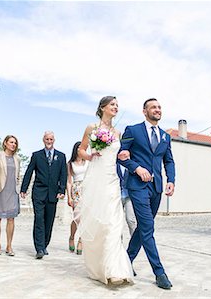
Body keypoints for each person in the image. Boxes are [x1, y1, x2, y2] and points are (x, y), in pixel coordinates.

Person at [118, 98, 175, 290]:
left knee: (144, 227)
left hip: (157, 188)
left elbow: (169, 161)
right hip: (137, 186)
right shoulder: (132, 130)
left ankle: (126, 260)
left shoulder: (165, 136)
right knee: (148, 227)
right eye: (153, 107)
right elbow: (122, 156)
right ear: (144, 111)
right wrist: (136, 168)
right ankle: (159, 272)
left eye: (159, 107)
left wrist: (171, 180)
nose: (157, 110)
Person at [76, 96, 133, 286]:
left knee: (115, 223)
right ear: (102, 107)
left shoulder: (117, 132)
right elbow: (81, 151)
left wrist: (123, 154)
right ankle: (100, 267)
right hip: (96, 178)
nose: (116, 107)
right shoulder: (92, 128)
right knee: (100, 222)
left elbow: (117, 155)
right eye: (112, 105)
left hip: (112, 180)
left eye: (117, 105)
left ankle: (115, 270)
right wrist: (91, 156)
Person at [20, 131, 67, 259]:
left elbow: (64, 174)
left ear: (54, 140)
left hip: (53, 194)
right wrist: (24, 189)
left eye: (51, 139)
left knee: (49, 221)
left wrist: (62, 190)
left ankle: (45, 244)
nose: (49, 141)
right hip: (39, 193)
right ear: (43, 140)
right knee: (39, 219)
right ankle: (39, 248)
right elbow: (29, 172)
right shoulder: (36, 155)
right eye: (47, 139)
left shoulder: (61, 156)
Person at [66, 141, 88, 255]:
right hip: (76, 190)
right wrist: (69, 196)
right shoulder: (70, 163)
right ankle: (71, 237)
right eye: (78, 148)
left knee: (86, 218)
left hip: (87, 189)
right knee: (77, 218)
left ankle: (81, 240)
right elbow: (69, 181)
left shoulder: (88, 161)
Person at [117, 164, 137, 236]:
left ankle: (134, 242)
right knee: (117, 222)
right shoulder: (115, 163)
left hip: (129, 196)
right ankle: (119, 243)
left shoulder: (132, 163)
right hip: (117, 197)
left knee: (131, 220)